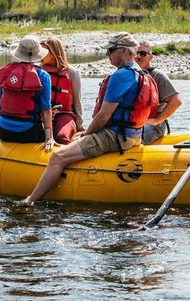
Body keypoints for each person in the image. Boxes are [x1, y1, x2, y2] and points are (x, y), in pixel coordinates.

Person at [25, 32, 154, 204]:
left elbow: (103, 116)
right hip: (133, 135)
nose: (107, 54)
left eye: (111, 50)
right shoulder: (142, 73)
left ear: (124, 51)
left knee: (57, 157)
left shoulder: (121, 75)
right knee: (75, 139)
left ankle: (30, 201)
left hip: (115, 136)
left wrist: (86, 135)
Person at [0, 35, 55, 151]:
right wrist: (49, 138)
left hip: (3, 131)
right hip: (28, 133)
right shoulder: (43, 76)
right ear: (37, 55)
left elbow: (0, 101)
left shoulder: (7, 72)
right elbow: (46, 109)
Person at [134, 40, 183, 144]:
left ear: (150, 57)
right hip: (134, 123)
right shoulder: (129, 75)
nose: (138, 57)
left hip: (154, 125)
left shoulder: (158, 75)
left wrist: (157, 121)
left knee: (132, 137)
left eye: (143, 54)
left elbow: (176, 101)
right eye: (135, 53)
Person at [40, 37, 84, 144]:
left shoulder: (72, 73)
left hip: (64, 114)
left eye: (44, 51)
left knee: (62, 137)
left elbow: (77, 102)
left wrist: (79, 126)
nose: (40, 54)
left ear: (54, 53)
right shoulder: (39, 71)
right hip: (43, 114)